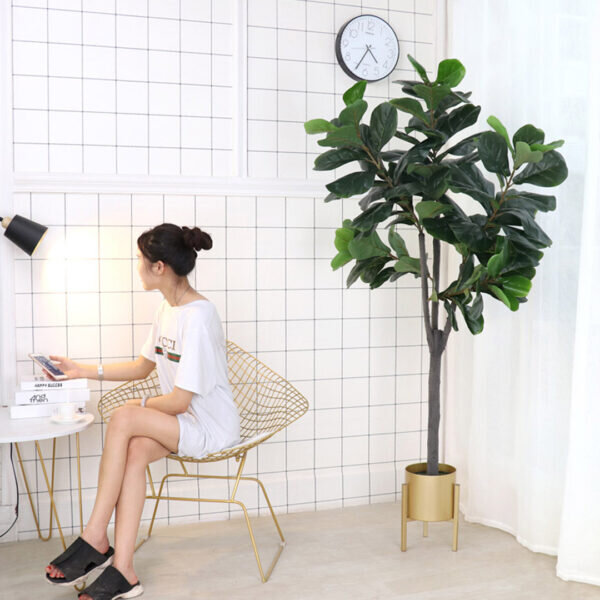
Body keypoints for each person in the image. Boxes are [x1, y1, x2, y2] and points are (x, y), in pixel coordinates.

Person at [44, 223, 241, 600]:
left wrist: (138, 406)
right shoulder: (167, 309)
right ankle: (124, 571)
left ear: (159, 267)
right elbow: (140, 368)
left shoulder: (199, 316)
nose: (137, 266)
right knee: (133, 451)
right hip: (182, 422)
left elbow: (180, 401)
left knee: (124, 416)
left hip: (211, 426)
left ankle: (95, 536)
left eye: (140, 259)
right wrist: (82, 370)